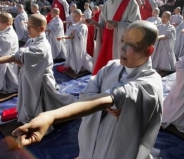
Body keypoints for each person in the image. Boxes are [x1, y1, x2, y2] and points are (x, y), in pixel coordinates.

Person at [12, 20, 163, 159]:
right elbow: (86, 94)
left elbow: (116, 95)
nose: (122, 47)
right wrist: (103, 104)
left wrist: (52, 116)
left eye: (131, 44)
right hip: (92, 138)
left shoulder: (149, 82)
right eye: (122, 40)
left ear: (149, 51)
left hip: (118, 145)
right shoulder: (111, 67)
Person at [0, 14, 76, 123]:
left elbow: (17, 56)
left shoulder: (41, 46)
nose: (27, 29)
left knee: (44, 105)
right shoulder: (31, 41)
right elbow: (21, 59)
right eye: (27, 26)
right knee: (30, 102)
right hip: (30, 78)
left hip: (40, 82)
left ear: (41, 28)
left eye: (30, 27)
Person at [84, 0, 141, 75]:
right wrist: (96, 24)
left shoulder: (130, 2)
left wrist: (118, 25)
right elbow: (104, 26)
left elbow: (136, 28)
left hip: (121, 48)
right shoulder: (106, 4)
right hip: (107, 44)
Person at [57, 9, 93, 74]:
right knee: (73, 56)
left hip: (79, 45)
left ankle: (81, 66)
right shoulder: (74, 25)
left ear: (80, 16)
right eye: (73, 16)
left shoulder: (83, 26)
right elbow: (68, 33)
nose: (74, 18)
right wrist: (70, 34)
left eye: (75, 16)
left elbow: (75, 36)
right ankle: (76, 66)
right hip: (73, 44)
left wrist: (64, 37)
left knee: (80, 56)